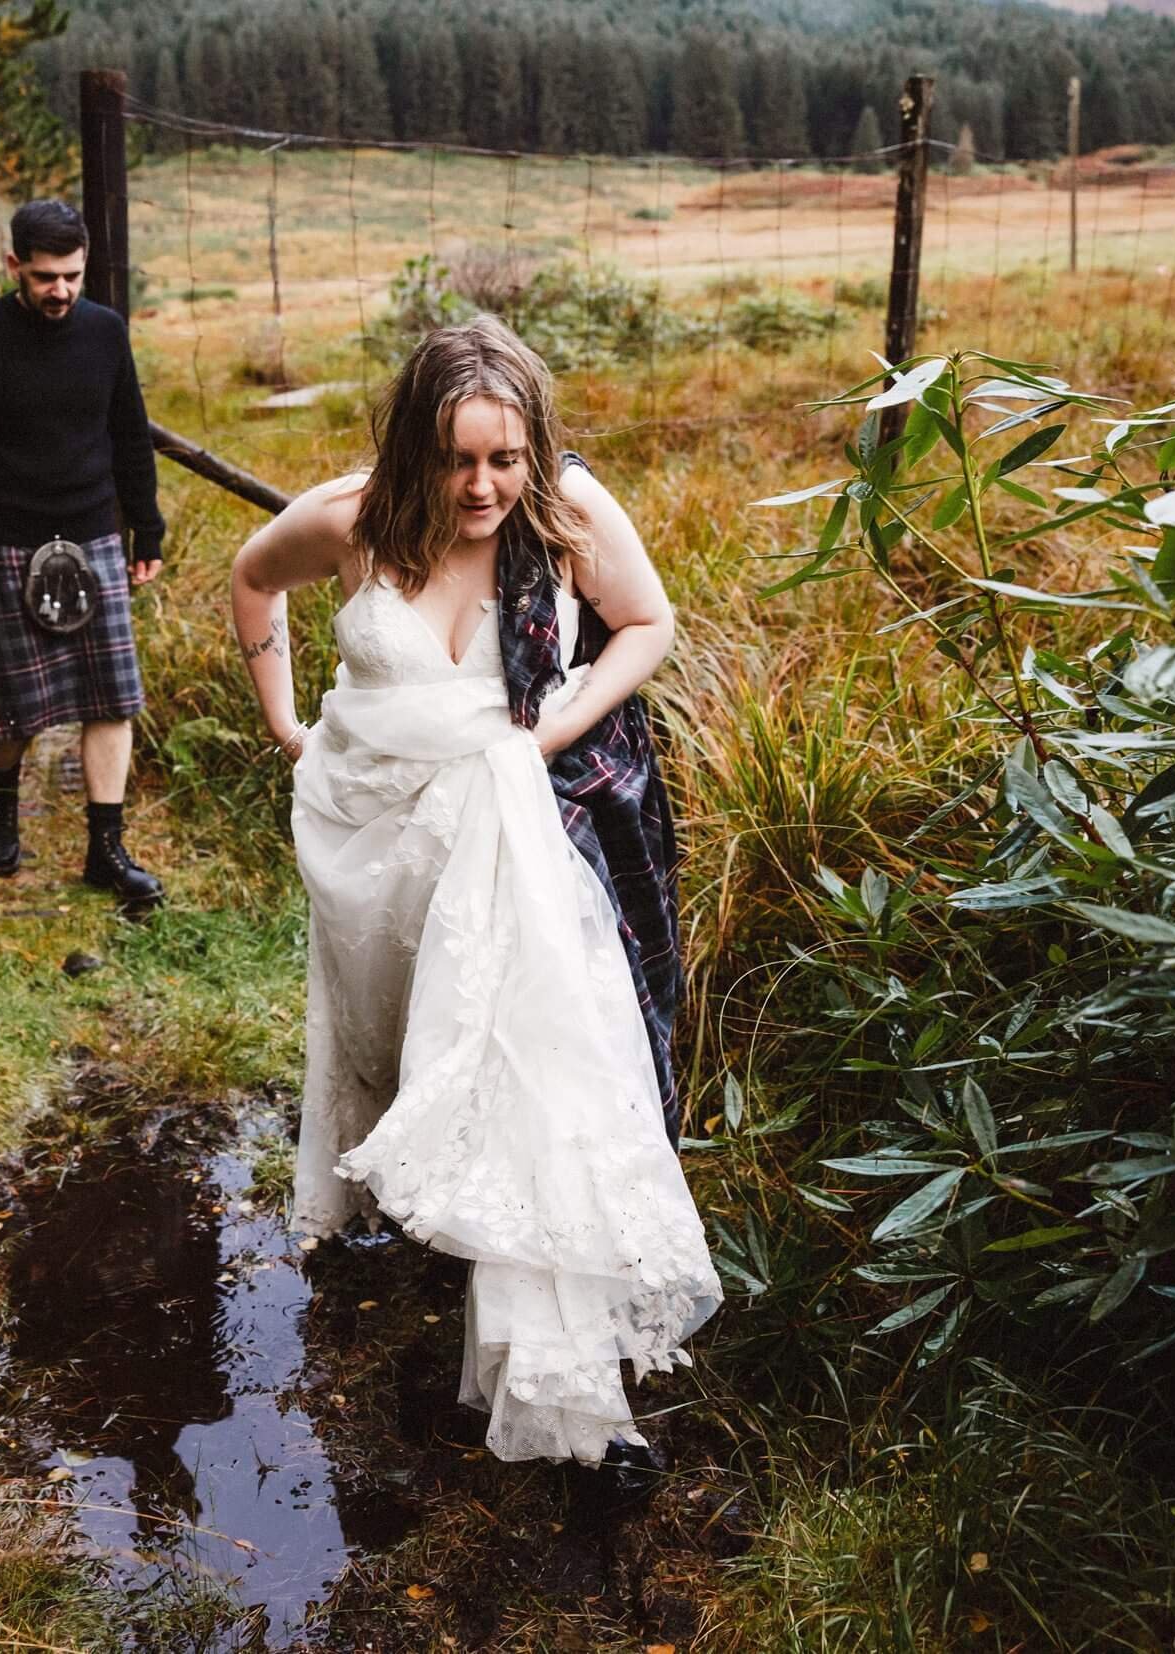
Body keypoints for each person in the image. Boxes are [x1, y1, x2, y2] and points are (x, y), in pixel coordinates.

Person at [228, 315, 720, 1465]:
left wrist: (548, 732)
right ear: (414, 450)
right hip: (379, 850)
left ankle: (567, 1387)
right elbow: (253, 578)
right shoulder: (353, 521)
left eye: (504, 458)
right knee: (408, 1042)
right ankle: (430, 1207)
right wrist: (285, 723)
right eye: (458, 460)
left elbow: (646, 623)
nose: (483, 485)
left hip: (510, 838)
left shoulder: (563, 517)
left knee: (530, 1068)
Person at [0, 198, 165, 908]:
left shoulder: (105, 333)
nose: (61, 291)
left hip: (92, 533)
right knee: (10, 707)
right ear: (13, 266)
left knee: (110, 697)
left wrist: (145, 529)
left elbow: (129, 434)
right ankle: (0, 796)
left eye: (73, 276)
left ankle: (105, 847)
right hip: (5, 538)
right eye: (46, 277)